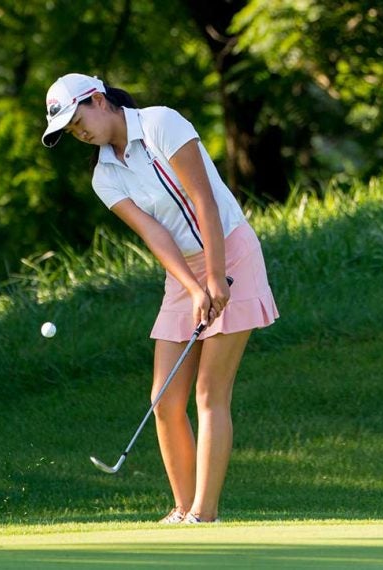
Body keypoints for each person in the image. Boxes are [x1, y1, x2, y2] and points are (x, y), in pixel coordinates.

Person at [41, 73, 278, 524]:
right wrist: (193, 288)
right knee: (165, 399)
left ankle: (204, 515)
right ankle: (182, 507)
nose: (79, 132)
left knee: (210, 392)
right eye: (71, 130)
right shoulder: (103, 176)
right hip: (182, 270)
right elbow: (154, 232)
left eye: (78, 120)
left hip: (231, 250)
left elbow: (203, 199)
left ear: (98, 100)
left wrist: (215, 277)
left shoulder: (160, 124)